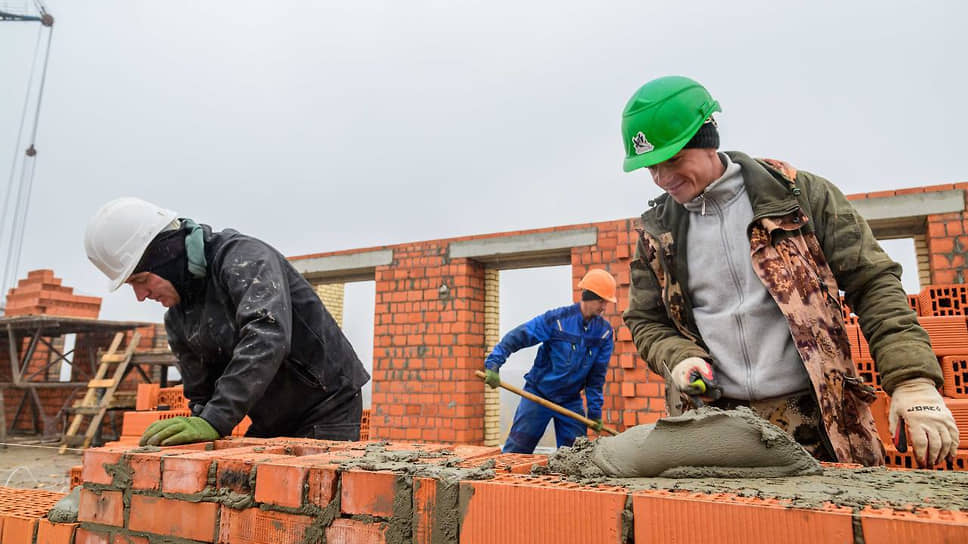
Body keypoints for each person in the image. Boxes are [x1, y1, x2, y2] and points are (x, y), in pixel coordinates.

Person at [620, 75, 959, 468]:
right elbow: (645, 320)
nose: (663, 178)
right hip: (712, 424)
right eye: (651, 169)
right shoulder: (657, 234)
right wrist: (679, 358)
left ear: (708, 140)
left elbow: (874, 283)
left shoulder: (798, 197)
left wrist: (912, 381)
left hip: (819, 422)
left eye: (673, 161)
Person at [84, 197, 370, 446]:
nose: (140, 296)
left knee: (312, 496)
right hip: (272, 416)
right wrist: (199, 425)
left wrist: (216, 420)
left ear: (167, 257)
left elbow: (266, 334)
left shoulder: (242, 258)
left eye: (142, 280)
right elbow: (202, 394)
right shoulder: (179, 318)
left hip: (327, 404)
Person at [483, 269, 616, 453]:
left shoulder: (604, 333)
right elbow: (519, 337)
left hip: (570, 401)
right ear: (589, 297)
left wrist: (594, 413)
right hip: (538, 395)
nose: (604, 307)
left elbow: (596, 378)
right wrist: (493, 364)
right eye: (602, 301)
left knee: (575, 456)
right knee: (516, 451)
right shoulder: (557, 320)